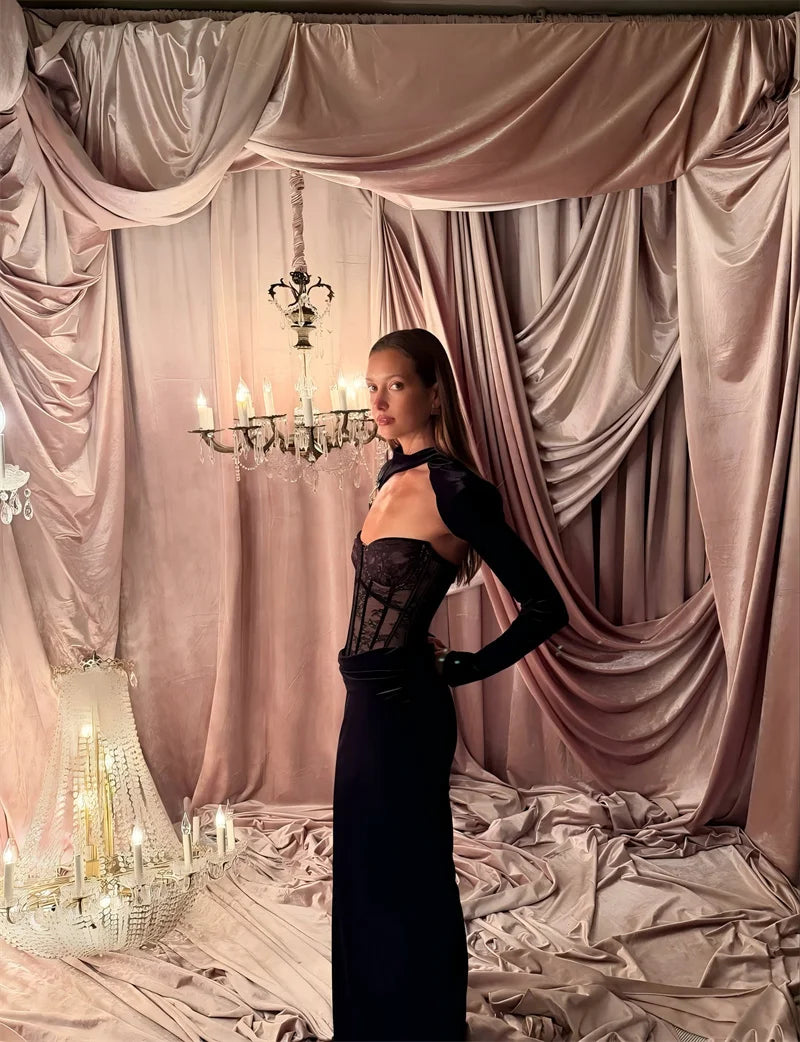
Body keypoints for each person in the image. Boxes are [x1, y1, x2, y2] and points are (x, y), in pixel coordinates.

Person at [332, 329, 569, 1041]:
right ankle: (370, 1026)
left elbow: (544, 606)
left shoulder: (456, 490)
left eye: (396, 384)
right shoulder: (388, 476)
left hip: (406, 707)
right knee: (364, 867)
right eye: (372, 385)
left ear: (434, 394)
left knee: (408, 871)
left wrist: (467, 666)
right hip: (364, 702)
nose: (378, 400)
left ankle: (424, 1026)